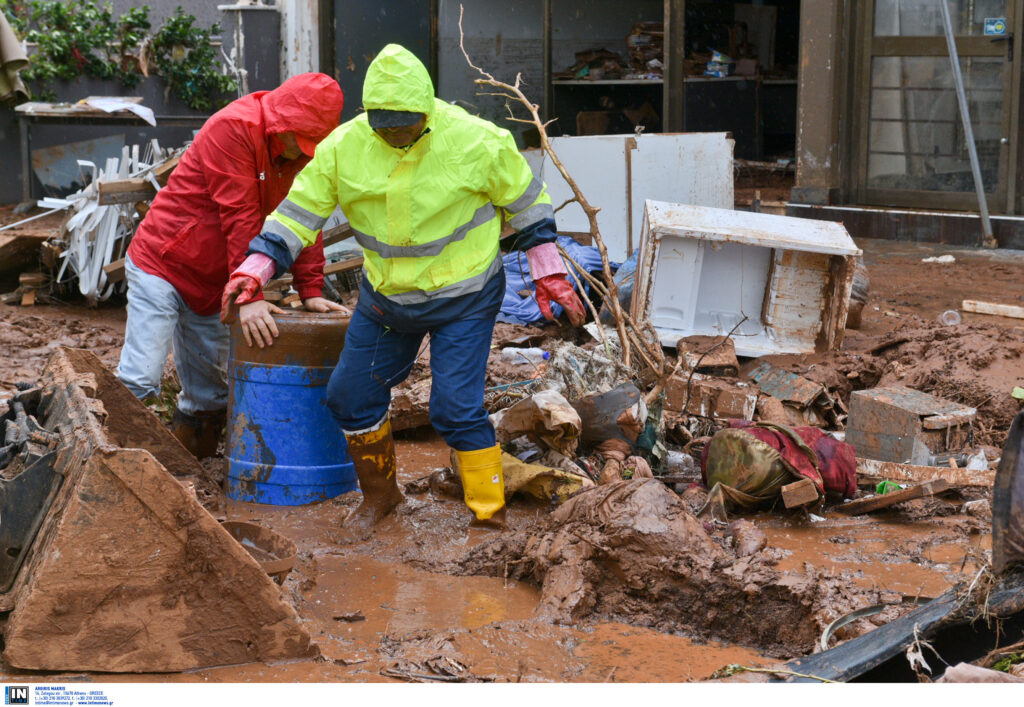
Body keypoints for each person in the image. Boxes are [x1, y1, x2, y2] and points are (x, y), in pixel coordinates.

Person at [222, 44, 585, 532]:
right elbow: (297, 216)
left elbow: (528, 207)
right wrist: (255, 271)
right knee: (349, 397)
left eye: (406, 124)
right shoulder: (342, 148)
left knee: (455, 410)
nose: (395, 133)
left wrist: (550, 273)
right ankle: (381, 497)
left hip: (466, 297)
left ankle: (489, 514)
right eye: (384, 125)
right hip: (387, 300)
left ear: (428, 111)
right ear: (368, 116)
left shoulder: (479, 142)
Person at [117, 73, 346, 459]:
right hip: (164, 264)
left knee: (211, 393)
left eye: (313, 146)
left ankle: (194, 464)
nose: (305, 154)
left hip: (217, 281)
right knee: (140, 377)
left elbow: (304, 217)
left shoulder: (301, 154)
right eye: (301, 143)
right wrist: (249, 294)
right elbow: (239, 218)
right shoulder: (234, 129)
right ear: (282, 123)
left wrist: (310, 290)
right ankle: (109, 463)